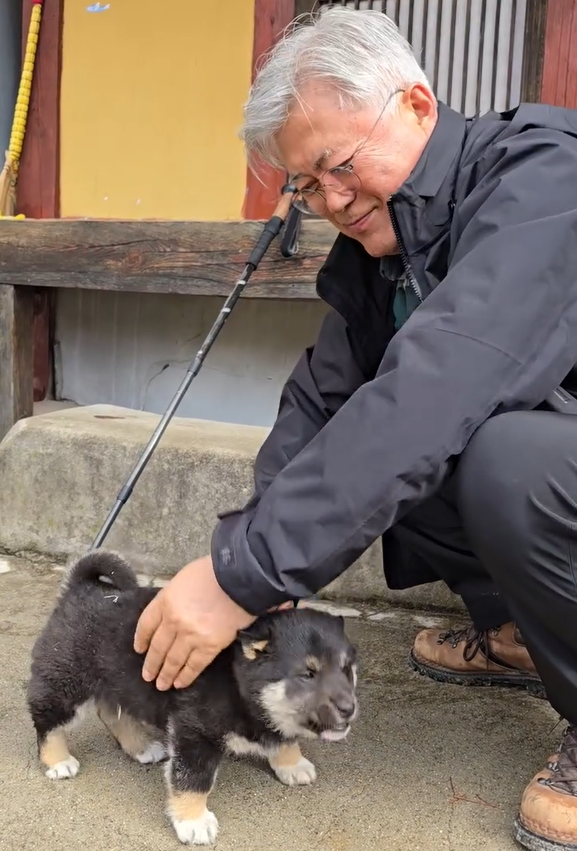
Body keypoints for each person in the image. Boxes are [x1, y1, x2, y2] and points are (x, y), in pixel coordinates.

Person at [132, 7, 577, 849]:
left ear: (414, 104)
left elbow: (443, 384)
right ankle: (523, 630)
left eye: (336, 166)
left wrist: (241, 574)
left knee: (493, 453)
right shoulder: (386, 252)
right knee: (374, 450)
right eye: (304, 186)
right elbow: (322, 406)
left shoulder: (547, 181)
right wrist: (261, 564)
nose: (330, 201)